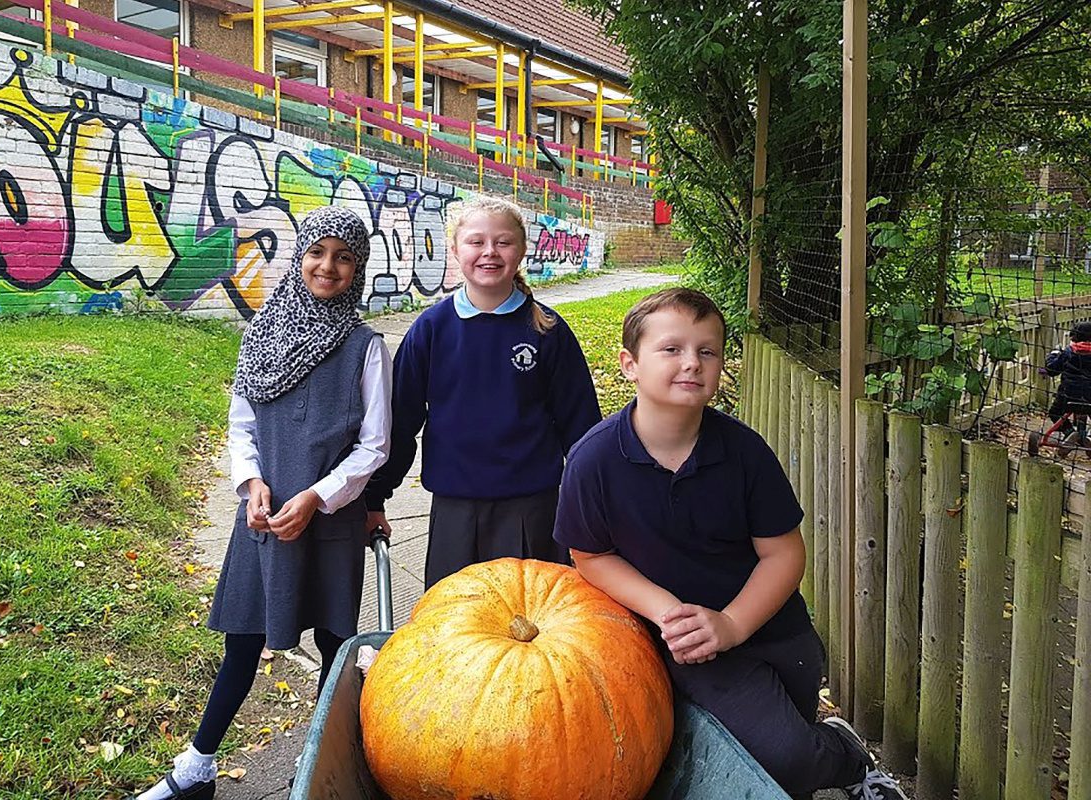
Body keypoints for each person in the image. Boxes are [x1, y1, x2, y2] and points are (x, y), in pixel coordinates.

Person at [552, 288, 906, 800]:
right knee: (778, 760)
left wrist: (733, 623)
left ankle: (837, 753)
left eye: (707, 351)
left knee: (792, 750)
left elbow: (783, 553)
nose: (691, 363)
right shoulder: (593, 461)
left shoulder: (743, 452)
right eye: (671, 349)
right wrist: (669, 612)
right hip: (687, 643)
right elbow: (590, 555)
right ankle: (848, 761)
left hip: (769, 625)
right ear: (630, 364)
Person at [132, 207, 392, 800]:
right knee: (243, 640)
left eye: (344, 257)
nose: (328, 266)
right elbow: (242, 422)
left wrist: (317, 497)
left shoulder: (365, 347)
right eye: (317, 252)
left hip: (327, 518)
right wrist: (252, 486)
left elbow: (374, 444)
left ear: (358, 268)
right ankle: (196, 768)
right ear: (299, 256)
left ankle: (330, 766)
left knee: (334, 644)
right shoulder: (264, 330)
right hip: (264, 516)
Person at [364, 196, 601, 588]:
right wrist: (375, 497)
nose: (489, 252)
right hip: (456, 514)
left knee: (532, 633)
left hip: (534, 510)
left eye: (503, 242)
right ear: (455, 249)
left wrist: (591, 509)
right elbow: (400, 422)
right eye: (476, 242)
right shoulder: (431, 329)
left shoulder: (548, 331)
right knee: (455, 629)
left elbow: (582, 429)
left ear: (522, 249)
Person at [1045, 320, 1091, 441]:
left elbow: (1052, 369)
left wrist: (1053, 356)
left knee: (1055, 412)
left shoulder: (1068, 352)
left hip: (1068, 396)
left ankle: (1069, 432)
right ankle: (1086, 439)